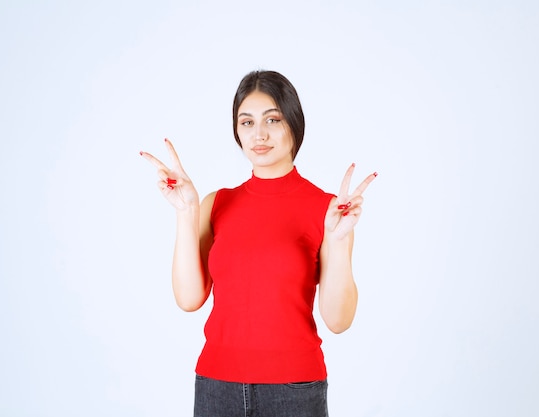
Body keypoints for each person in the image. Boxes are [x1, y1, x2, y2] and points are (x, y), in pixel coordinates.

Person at [141, 70, 377, 417]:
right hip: (216, 387)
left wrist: (338, 241)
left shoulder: (328, 211)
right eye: (247, 122)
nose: (259, 134)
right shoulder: (215, 204)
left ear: (294, 124)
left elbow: (338, 320)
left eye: (273, 119)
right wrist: (186, 211)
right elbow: (189, 299)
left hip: (295, 391)